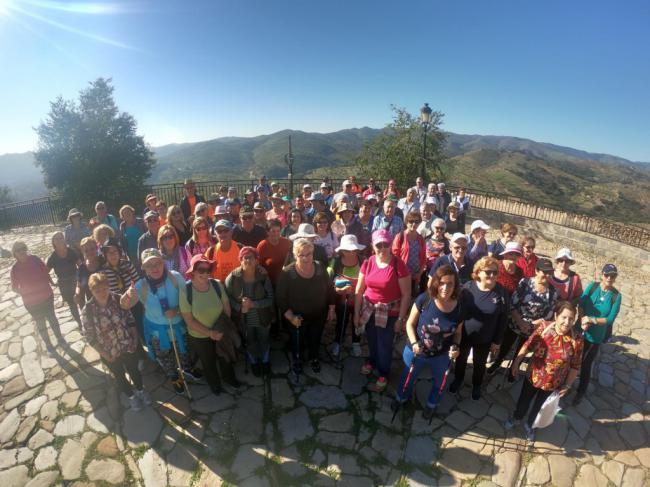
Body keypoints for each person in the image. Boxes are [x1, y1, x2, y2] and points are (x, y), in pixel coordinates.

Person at [392, 265, 463, 418]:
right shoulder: (425, 299)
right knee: (407, 378)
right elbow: (410, 324)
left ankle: (432, 404)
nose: (445, 287)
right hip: (416, 350)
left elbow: (458, 333)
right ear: (436, 282)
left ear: (455, 285)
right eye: (442, 282)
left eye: (450, 283)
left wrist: (456, 346)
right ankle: (400, 398)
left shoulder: (459, 308)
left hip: (441, 354)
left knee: (440, 383)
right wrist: (414, 343)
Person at [120, 248, 193, 395]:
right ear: (143, 268)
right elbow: (124, 305)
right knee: (164, 357)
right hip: (158, 332)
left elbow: (189, 300)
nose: (154, 268)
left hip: (178, 327)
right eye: (149, 265)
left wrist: (177, 311)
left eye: (157, 263)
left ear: (163, 263)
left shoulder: (176, 277)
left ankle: (186, 369)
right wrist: (127, 295)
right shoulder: (140, 286)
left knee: (183, 351)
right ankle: (173, 376)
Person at [506, 301, 583, 441]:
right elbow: (528, 345)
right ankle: (517, 417)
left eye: (571, 319)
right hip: (533, 376)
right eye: (564, 317)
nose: (567, 322)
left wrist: (567, 385)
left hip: (554, 383)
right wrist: (516, 363)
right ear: (556, 315)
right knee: (524, 400)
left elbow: (575, 366)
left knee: (540, 407)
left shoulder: (577, 340)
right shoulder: (544, 327)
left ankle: (530, 425)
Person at [82, 273, 151, 411]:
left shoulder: (119, 299)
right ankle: (131, 397)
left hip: (127, 345)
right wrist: (104, 354)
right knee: (119, 375)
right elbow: (89, 336)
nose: (102, 293)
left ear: (108, 286)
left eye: (104, 288)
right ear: (91, 291)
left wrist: (135, 340)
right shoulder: (87, 310)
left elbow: (130, 320)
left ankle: (140, 390)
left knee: (134, 370)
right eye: (97, 290)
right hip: (109, 351)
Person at [354, 229, 411, 392]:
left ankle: (383, 373)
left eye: (386, 244)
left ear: (391, 244)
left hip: (389, 312)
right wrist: (357, 313)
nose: (383, 248)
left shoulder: (398, 264)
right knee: (371, 339)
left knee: (384, 344)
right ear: (373, 245)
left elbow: (406, 294)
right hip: (370, 309)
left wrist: (400, 319)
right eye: (379, 244)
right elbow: (359, 290)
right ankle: (372, 361)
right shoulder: (368, 262)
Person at [450, 256, 509, 400]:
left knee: (480, 364)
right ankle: (458, 379)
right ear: (478, 272)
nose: (492, 275)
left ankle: (477, 384)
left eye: (495, 272)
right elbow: (457, 310)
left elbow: (503, 318)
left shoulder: (501, 292)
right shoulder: (468, 288)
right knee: (461, 360)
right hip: (464, 335)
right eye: (488, 272)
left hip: (485, 338)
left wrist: (497, 341)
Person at [180, 254, 239, 395]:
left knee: (225, 356)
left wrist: (221, 328)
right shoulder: (185, 291)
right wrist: (210, 333)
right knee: (208, 361)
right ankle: (215, 384)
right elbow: (189, 321)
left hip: (220, 331)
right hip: (200, 335)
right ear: (193, 271)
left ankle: (229, 379)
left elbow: (226, 307)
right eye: (201, 270)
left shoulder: (216, 285)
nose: (205, 273)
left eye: (208, 269)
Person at [488, 258, 557, 376]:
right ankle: (497, 363)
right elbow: (513, 303)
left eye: (549, 272)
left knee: (522, 351)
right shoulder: (525, 283)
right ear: (536, 270)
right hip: (515, 322)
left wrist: (531, 325)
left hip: (532, 329)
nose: (547, 275)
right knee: (505, 346)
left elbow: (549, 315)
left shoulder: (553, 292)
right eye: (544, 272)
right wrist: (520, 322)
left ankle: (513, 371)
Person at [277, 238, 336, 374]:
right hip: (297, 316)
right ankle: (297, 359)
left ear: (313, 253)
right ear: (295, 255)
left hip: (318, 313)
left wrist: (332, 308)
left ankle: (314, 358)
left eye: (308, 254)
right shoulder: (287, 273)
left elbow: (329, 288)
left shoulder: (320, 267)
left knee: (315, 338)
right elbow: (280, 297)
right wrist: (290, 316)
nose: (305, 258)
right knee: (297, 340)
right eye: (301, 255)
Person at [573, 264, 622, 405]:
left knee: (586, 364)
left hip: (595, 337)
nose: (609, 278)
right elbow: (581, 303)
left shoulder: (616, 296)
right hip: (580, 329)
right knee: (571, 356)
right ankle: (564, 383)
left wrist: (592, 320)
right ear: (602, 275)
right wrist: (583, 319)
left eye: (613, 276)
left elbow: (610, 319)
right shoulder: (592, 287)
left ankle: (580, 392)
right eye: (607, 275)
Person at [225, 247, 275, 376]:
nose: (247, 260)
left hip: (263, 317)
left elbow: (270, 299)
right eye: (244, 258)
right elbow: (227, 297)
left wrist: (253, 304)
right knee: (249, 340)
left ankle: (265, 360)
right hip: (243, 319)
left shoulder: (263, 276)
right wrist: (240, 307)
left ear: (257, 260)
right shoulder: (232, 277)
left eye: (251, 257)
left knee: (264, 339)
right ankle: (253, 362)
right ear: (240, 260)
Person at [11, 241, 63, 353]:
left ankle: (60, 338)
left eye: (23, 248)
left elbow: (45, 272)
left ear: (26, 249)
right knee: (41, 323)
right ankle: (48, 344)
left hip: (47, 296)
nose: (21, 252)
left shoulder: (35, 259)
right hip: (32, 303)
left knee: (52, 318)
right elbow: (14, 288)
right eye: (18, 250)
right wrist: (25, 293)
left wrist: (52, 283)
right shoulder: (15, 269)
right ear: (14, 254)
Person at [328, 235, 366, 358]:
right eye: (347, 250)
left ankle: (356, 343)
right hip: (341, 300)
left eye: (353, 250)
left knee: (358, 322)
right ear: (342, 250)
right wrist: (336, 289)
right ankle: (338, 342)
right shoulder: (336, 262)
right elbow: (330, 283)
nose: (350, 253)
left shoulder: (363, 261)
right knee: (341, 322)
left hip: (359, 300)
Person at [46, 231, 82, 324]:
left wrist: (81, 278)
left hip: (75, 281)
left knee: (81, 302)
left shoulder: (71, 251)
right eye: (56, 239)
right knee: (72, 305)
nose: (59, 240)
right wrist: (52, 283)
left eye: (61, 238)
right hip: (64, 284)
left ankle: (87, 322)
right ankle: (79, 323)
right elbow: (45, 272)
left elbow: (80, 265)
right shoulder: (52, 257)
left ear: (64, 239)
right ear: (53, 242)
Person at [392, 211, 426, 296]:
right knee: (403, 297)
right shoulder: (400, 237)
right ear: (406, 222)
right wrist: (403, 272)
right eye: (411, 221)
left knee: (413, 298)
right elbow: (395, 257)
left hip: (416, 276)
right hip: (403, 275)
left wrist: (419, 273)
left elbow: (423, 258)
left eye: (416, 221)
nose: (414, 224)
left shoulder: (421, 239)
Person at [257, 219, 293, 287]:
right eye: (273, 231)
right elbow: (257, 265)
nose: (276, 234)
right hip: (269, 282)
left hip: (286, 280)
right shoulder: (262, 245)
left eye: (278, 231)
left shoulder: (286, 242)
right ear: (267, 232)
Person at [75, 237, 105, 306]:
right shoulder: (82, 268)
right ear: (82, 252)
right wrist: (77, 294)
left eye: (92, 249)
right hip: (93, 305)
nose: (90, 252)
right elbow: (79, 286)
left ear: (97, 248)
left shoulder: (104, 261)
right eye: (86, 251)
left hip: (110, 301)